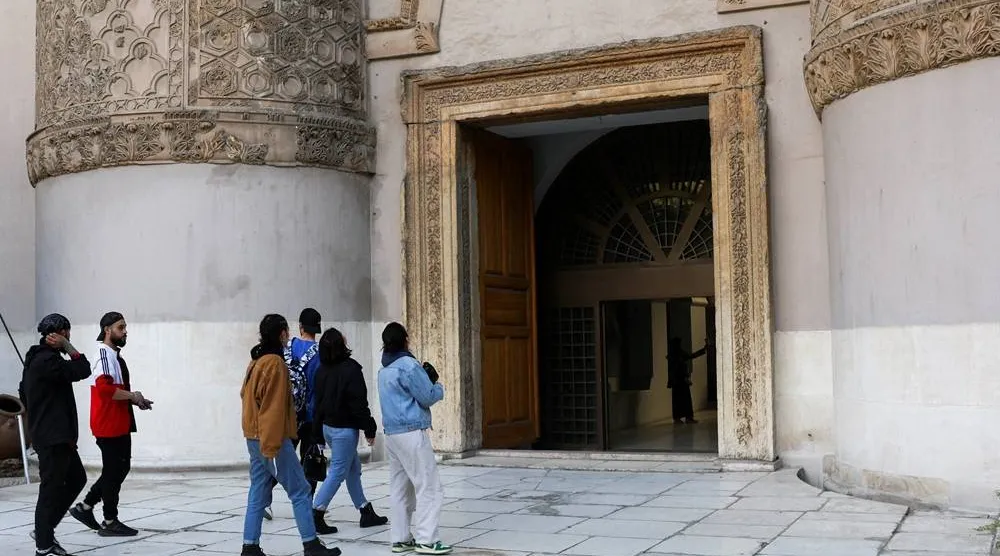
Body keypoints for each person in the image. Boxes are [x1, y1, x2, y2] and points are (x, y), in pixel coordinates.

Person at [240, 314, 340, 556]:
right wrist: (273, 446)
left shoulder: (256, 360)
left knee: (258, 489)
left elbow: (245, 395)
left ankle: (250, 546)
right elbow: (273, 408)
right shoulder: (275, 363)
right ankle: (311, 544)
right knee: (300, 490)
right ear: (283, 333)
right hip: (271, 438)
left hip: (254, 436)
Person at [69, 312, 152, 537]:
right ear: (107, 330)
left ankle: (85, 508)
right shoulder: (104, 354)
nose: (125, 331)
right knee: (114, 471)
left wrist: (136, 400)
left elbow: (116, 390)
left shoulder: (114, 355)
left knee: (118, 469)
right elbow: (105, 389)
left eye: (125, 327)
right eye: (120, 327)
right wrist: (132, 395)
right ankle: (109, 520)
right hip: (108, 424)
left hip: (118, 422)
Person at [19, 314, 92, 556]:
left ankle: (44, 531)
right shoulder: (47, 361)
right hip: (53, 437)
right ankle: (44, 545)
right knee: (50, 490)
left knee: (77, 478)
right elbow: (83, 369)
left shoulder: (38, 360)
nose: (69, 337)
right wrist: (69, 347)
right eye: (66, 333)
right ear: (60, 333)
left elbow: (23, 393)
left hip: (56, 436)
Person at [377, 322, 450, 555]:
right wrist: (437, 386)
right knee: (429, 486)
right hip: (411, 432)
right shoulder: (409, 365)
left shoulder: (383, 369)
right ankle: (427, 539)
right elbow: (427, 396)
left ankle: (400, 538)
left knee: (400, 488)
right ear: (405, 340)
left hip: (392, 434)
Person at [311, 327, 388, 534]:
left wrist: (317, 433)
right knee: (338, 472)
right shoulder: (351, 369)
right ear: (341, 345)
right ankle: (316, 512)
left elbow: (317, 405)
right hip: (344, 431)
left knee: (353, 468)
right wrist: (369, 428)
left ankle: (365, 510)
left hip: (328, 428)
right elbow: (358, 404)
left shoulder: (321, 371)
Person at [265, 308, 324, 521]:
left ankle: (264, 499)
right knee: (309, 461)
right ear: (317, 328)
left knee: (283, 462)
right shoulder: (320, 353)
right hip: (310, 415)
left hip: (289, 416)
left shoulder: (287, 347)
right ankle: (306, 505)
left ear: (300, 327)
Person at [666, 336, 709, 424]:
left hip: (679, 381)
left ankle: (682, 418)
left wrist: (703, 349)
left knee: (681, 400)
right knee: (683, 400)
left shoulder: (676, 354)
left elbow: (691, 356)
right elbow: (689, 358)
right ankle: (684, 418)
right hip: (679, 381)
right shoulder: (675, 355)